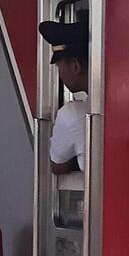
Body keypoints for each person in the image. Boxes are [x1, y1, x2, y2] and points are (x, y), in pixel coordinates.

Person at [40, 19, 90, 175]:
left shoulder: (73, 114)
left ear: (75, 66)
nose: (60, 73)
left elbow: (58, 165)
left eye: (59, 66)